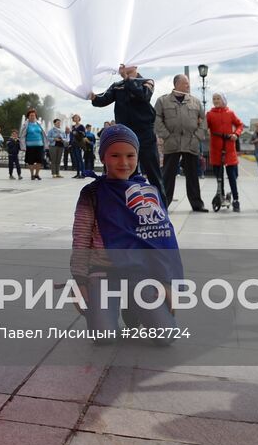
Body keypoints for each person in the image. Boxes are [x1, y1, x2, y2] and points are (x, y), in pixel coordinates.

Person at [70, 125, 182, 334]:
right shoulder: (92, 194)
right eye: (115, 155)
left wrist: (166, 282)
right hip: (103, 272)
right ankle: (102, 306)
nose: (124, 162)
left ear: (137, 157)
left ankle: (133, 304)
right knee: (104, 336)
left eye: (130, 155)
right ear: (103, 157)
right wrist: (79, 282)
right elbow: (81, 240)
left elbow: (161, 240)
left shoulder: (147, 192)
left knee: (166, 335)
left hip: (139, 272)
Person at [91, 65, 160, 185]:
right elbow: (103, 100)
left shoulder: (147, 82)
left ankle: (161, 202)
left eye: (126, 62)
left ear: (135, 65)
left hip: (145, 135)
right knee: (126, 173)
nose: (122, 66)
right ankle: (125, 201)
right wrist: (93, 96)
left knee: (153, 172)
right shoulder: (117, 85)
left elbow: (144, 95)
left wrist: (127, 79)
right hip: (126, 135)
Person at [154, 74, 208, 212]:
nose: (188, 86)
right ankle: (164, 204)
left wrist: (197, 137)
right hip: (172, 144)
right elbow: (156, 119)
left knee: (193, 175)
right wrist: (166, 136)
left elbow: (203, 121)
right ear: (176, 84)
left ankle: (197, 204)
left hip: (191, 143)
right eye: (186, 84)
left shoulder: (195, 102)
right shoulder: (163, 101)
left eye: (188, 84)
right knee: (168, 175)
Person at [205, 93, 244, 211]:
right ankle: (220, 195)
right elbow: (204, 126)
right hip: (216, 148)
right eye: (214, 99)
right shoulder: (210, 114)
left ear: (223, 101)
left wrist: (236, 134)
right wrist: (205, 129)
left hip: (229, 147)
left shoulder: (230, 113)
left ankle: (236, 199)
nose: (216, 101)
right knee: (218, 176)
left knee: (232, 176)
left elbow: (240, 125)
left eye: (218, 99)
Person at [22, 108, 48, 180]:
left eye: (33, 115)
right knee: (30, 161)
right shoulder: (26, 124)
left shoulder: (39, 124)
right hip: (30, 146)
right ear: (28, 116)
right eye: (31, 115)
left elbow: (44, 134)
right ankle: (32, 175)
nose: (32, 117)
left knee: (40, 160)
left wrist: (46, 144)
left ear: (35, 116)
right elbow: (22, 136)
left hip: (40, 145)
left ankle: (37, 174)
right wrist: (23, 146)